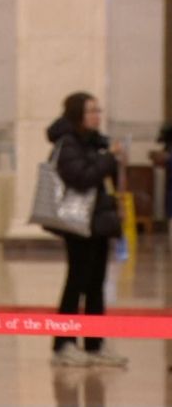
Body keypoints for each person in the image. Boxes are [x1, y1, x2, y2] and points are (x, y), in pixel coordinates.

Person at [47, 92, 128, 367]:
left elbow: (103, 176)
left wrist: (114, 158)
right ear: (78, 114)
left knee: (96, 285)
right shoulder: (68, 143)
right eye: (91, 111)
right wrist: (108, 159)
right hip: (78, 223)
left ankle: (94, 344)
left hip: (98, 222)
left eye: (98, 110)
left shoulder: (94, 141)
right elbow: (82, 178)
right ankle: (64, 343)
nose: (97, 115)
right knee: (76, 282)